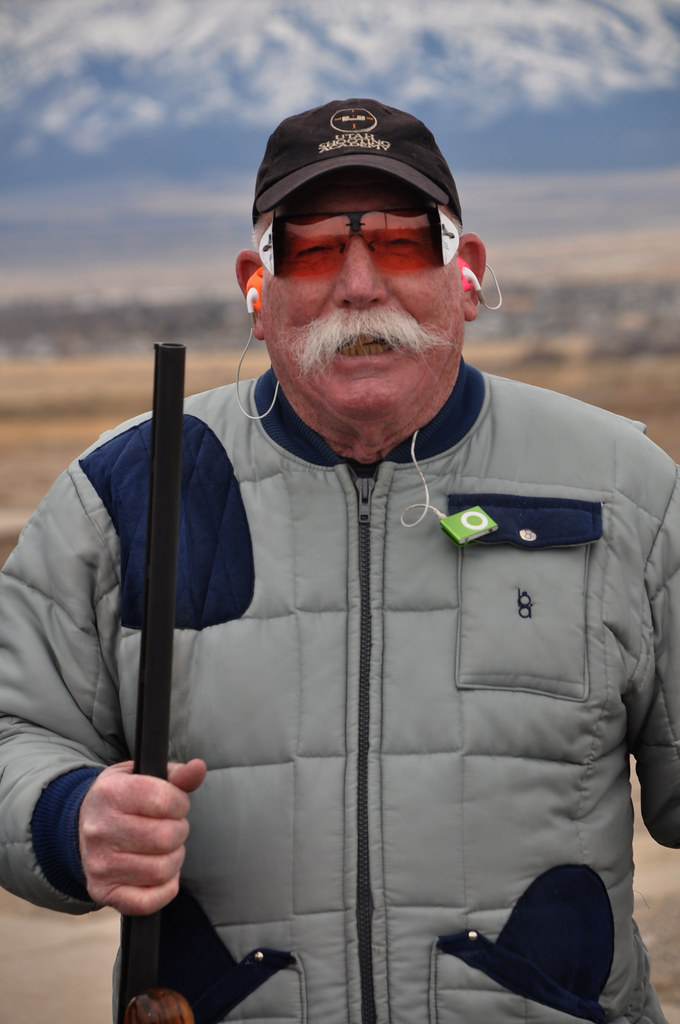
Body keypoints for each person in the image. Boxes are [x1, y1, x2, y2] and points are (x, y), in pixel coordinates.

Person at [0, 96, 678, 1024]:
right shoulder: (129, 491)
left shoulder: (625, 488)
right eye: (311, 250)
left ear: (466, 271)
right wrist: (67, 815)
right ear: (256, 283)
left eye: (402, 243)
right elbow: (12, 731)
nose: (359, 286)